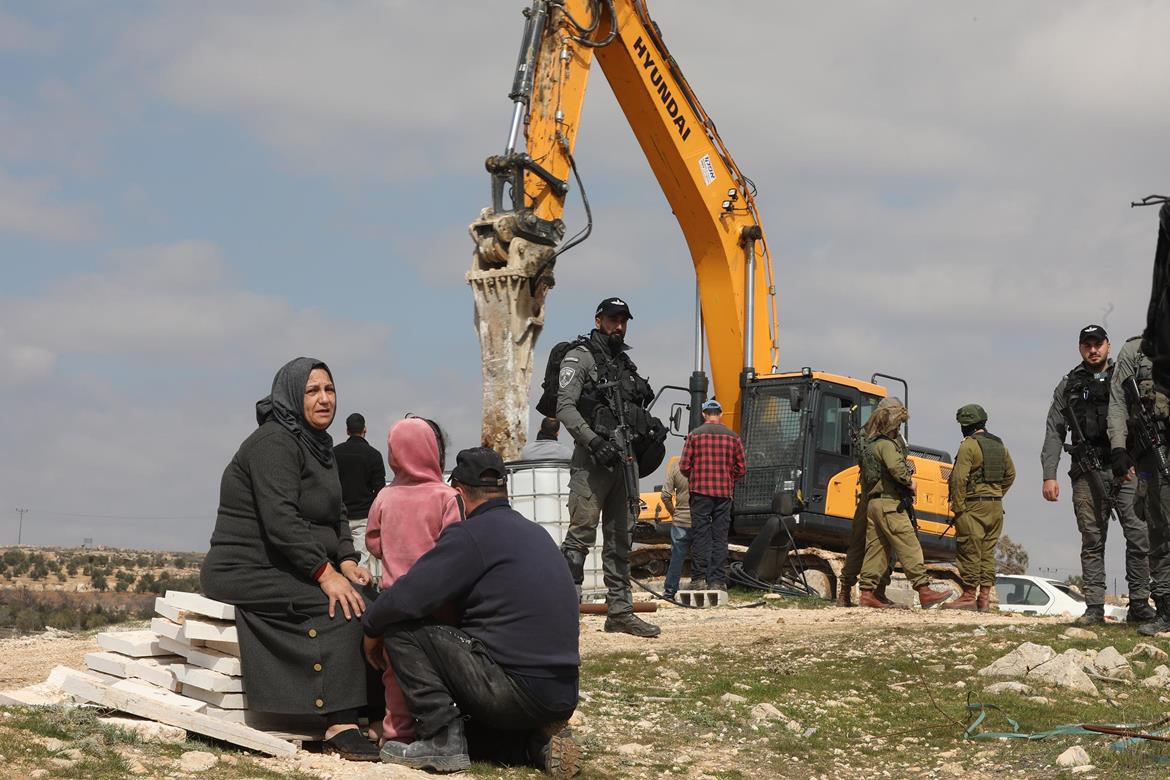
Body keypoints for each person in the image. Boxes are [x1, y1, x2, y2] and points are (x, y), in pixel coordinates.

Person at [362, 447, 581, 778]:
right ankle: (533, 745)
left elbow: (409, 597)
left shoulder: (471, 535)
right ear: (503, 489)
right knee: (473, 733)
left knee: (401, 628)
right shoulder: (536, 532)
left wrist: (370, 628)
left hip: (512, 688)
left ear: (459, 494)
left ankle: (440, 740)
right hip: (561, 693)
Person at [200, 357, 379, 762]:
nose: (323, 399)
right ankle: (338, 721)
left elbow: (334, 513)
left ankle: (376, 713)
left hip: (287, 563)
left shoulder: (319, 446)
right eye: (312, 391)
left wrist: (347, 561)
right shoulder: (274, 442)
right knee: (339, 607)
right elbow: (281, 520)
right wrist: (324, 573)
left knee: (374, 604)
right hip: (244, 567)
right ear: (292, 396)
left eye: (329, 389)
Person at [557, 297, 664, 638]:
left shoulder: (623, 363)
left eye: (624, 320)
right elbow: (565, 407)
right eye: (613, 319)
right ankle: (563, 617)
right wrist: (593, 442)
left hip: (624, 462)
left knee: (620, 542)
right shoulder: (580, 357)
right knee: (578, 541)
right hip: (592, 463)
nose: (619, 326)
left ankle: (620, 612)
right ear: (599, 319)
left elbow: (630, 407)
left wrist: (649, 426)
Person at [1042, 325, 1153, 625]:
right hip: (1086, 472)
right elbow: (1054, 431)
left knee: (1139, 535)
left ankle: (1140, 602)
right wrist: (1048, 475)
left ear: (1108, 345)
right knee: (1092, 539)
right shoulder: (1069, 385)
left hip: (1127, 469)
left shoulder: (1126, 378)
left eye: (1098, 344)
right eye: (1087, 345)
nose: (1093, 350)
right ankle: (1094, 607)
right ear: (1080, 348)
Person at [364, 417, 464, 745]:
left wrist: (395, 549)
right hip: (439, 603)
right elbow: (456, 547)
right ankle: (438, 732)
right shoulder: (447, 496)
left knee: (396, 673)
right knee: (438, 669)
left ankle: (397, 734)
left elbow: (373, 543)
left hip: (395, 602)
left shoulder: (385, 497)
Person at [857, 399, 950, 609]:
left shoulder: (871, 446)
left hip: (873, 504)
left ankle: (867, 594)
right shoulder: (887, 446)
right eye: (898, 425)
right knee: (909, 544)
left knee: (876, 549)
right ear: (893, 425)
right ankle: (924, 590)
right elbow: (898, 469)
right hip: (890, 504)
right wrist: (910, 482)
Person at [1108, 334, 1170, 635]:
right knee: (1158, 529)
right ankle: (1167, 608)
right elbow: (1118, 404)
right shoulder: (1134, 350)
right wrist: (1119, 448)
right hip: (1151, 456)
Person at [946, 404, 1017, 611]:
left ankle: (968, 596)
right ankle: (984, 599)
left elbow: (959, 479)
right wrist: (995, 495)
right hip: (995, 508)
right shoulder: (1000, 445)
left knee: (969, 550)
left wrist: (958, 508)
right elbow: (1011, 475)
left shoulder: (968, 445)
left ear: (967, 425)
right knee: (987, 552)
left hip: (973, 506)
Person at [837, 397, 902, 608]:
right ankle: (855, 592)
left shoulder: (877, 436)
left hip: (878, 497)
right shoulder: (874, 437)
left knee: (879, 547)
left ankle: (872, 592)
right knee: (868, 545)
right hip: (876, 496)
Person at [678, 399, 746, 591]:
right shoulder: (733, 437)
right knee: (720, 537)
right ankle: (717, 581)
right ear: (720, 414)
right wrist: (728, 477)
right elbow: (741, 469)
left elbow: (684, 466)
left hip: (700, 493)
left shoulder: (694, 435)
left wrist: (696, 475)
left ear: (704, 414)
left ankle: (699, 580)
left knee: (700, 536)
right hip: (723, 494)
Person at [333, 412, 387, 580]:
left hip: (338, 516)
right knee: (362, 563)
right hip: (364, 516)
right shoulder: (374, 455)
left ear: (347, 431)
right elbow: (380, 491)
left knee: (339, 560)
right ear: (365, 430)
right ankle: (362, 599)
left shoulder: (334, 453)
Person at [659, 458, 692, 600]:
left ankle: (669, 591)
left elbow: (665, 495)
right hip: (701, 520)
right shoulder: (705, 465)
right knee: (703, 555)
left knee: (677, 558)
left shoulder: (676, 466)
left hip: (680, 520)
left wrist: (674, 512)